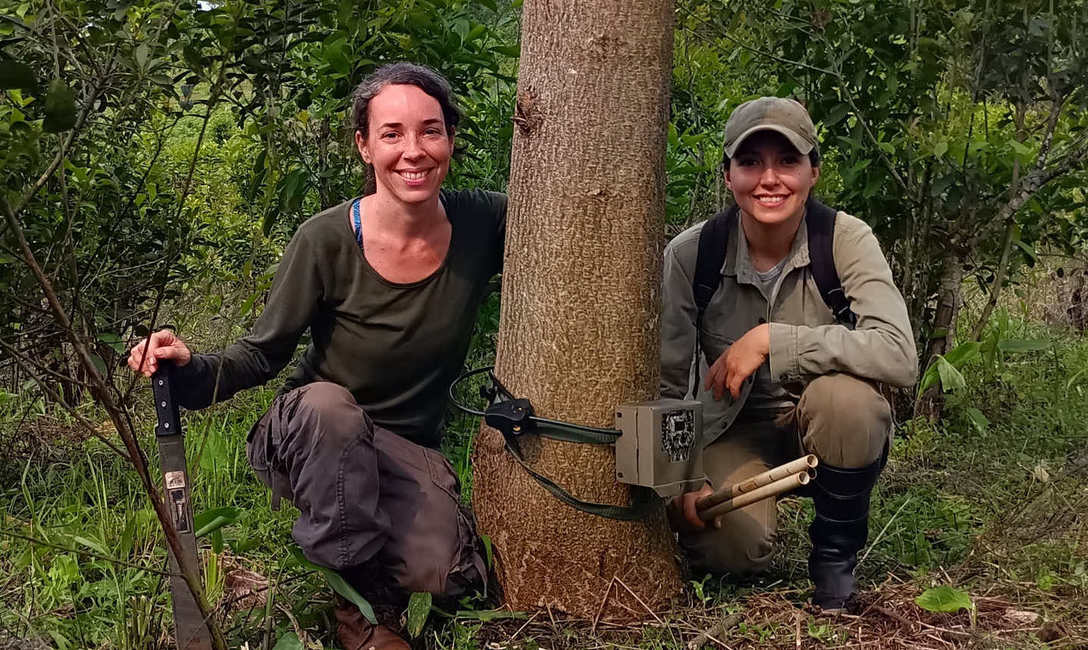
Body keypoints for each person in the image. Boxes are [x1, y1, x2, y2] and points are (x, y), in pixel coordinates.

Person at [128, 62, 506, 649]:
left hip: (404, 445)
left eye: (431, 131)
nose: (414, 151)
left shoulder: (485, 221)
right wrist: (189, 368)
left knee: (449, 575)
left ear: (450, 141)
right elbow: (262, 353)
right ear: (364, 146)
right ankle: (361, 615)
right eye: (391, 134)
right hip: (313, 430)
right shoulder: (326, 239)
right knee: (333, 410)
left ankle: (377, 537)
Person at [660, 97, 917, 611]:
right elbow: (666, 382)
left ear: (814, 172)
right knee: (730, 550)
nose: (769, 179)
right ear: (728, 175)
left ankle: (834, 561)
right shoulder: (693, 254)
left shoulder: (844, 240)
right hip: (730, 429)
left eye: (788, 161)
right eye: (750, 162)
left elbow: (899, 354)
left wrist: (776, 340)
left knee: (847, 402)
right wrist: (679, 482)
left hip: (819, 418)